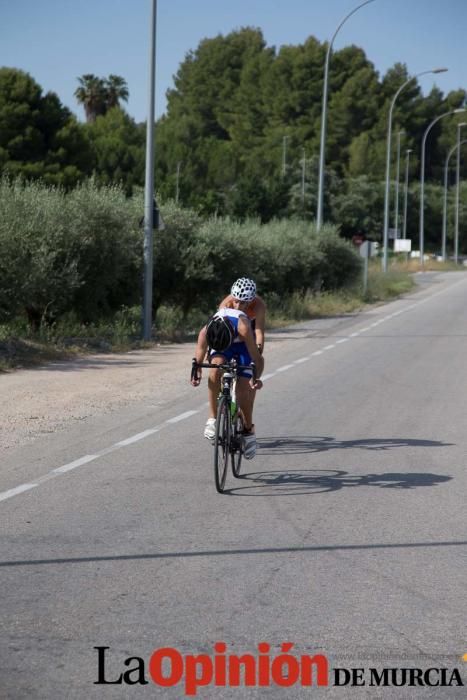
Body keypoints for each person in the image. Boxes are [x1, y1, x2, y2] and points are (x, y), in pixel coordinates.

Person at [191, 303, 264, 459]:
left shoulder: (243, 327)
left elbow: (258, 359)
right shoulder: (206, 331)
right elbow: (199, 354)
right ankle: (212, 418)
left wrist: (256, 378)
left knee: (243, 390)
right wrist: (196, 370)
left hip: (243, 346)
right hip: (222, 345)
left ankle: (248, 430)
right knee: (215, 369)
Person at [218, 277, 266, 356]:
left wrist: (258, 352)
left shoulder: (259, 305)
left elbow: (259, 331)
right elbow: (218, 327)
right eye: (236, 301)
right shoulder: (227, 302)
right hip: (230, 322)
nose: (238, 306)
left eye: (243, 302)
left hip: (250, 322)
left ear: (250, 301)